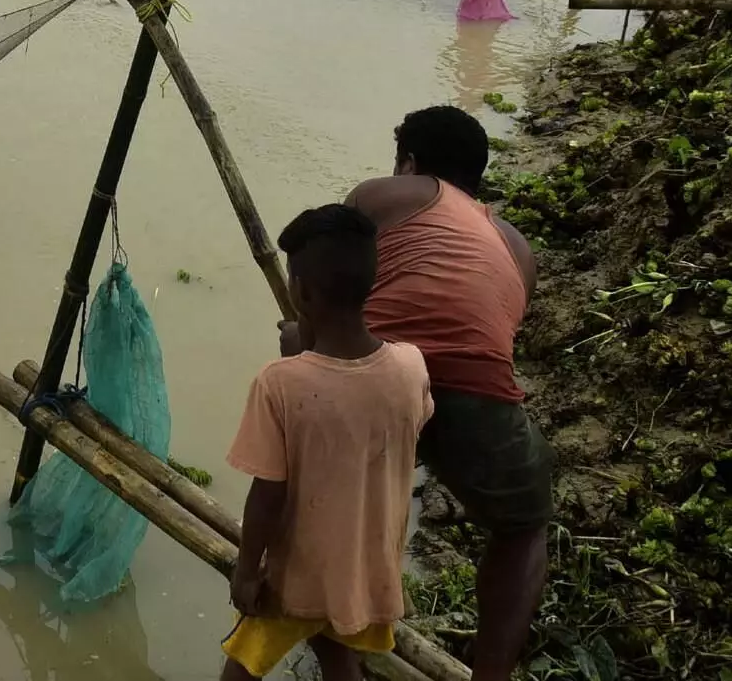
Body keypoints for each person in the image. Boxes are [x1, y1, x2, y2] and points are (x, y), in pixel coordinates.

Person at [341, 106, 545, 681]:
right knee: (522, 527)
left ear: (409, 162)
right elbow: (486, 339)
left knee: (348, 503)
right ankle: (493, 673)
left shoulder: (386, 195)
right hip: (477, 390)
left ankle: (340, 642)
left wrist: (300, 342)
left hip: (376, 373)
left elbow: (328, 281)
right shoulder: (516, 247)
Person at [222, 205, 433, 681]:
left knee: (241, 667)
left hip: (297, 577)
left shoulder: (280, 384)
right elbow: (364, 411)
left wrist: (247, 570)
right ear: (370, 285)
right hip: (365, 572)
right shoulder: (410, 367)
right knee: (338, 653)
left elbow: (267, 494)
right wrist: (309, 348)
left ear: (299, 291)